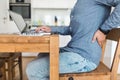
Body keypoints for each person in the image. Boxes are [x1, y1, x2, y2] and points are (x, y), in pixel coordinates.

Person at [26, 0, 120, 80]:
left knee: (32, 70)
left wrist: (103, 30)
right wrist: (51, 29)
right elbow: (72, 29)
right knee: (43, 54)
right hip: (73, 50)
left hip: (84, 57)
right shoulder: (81, 3)